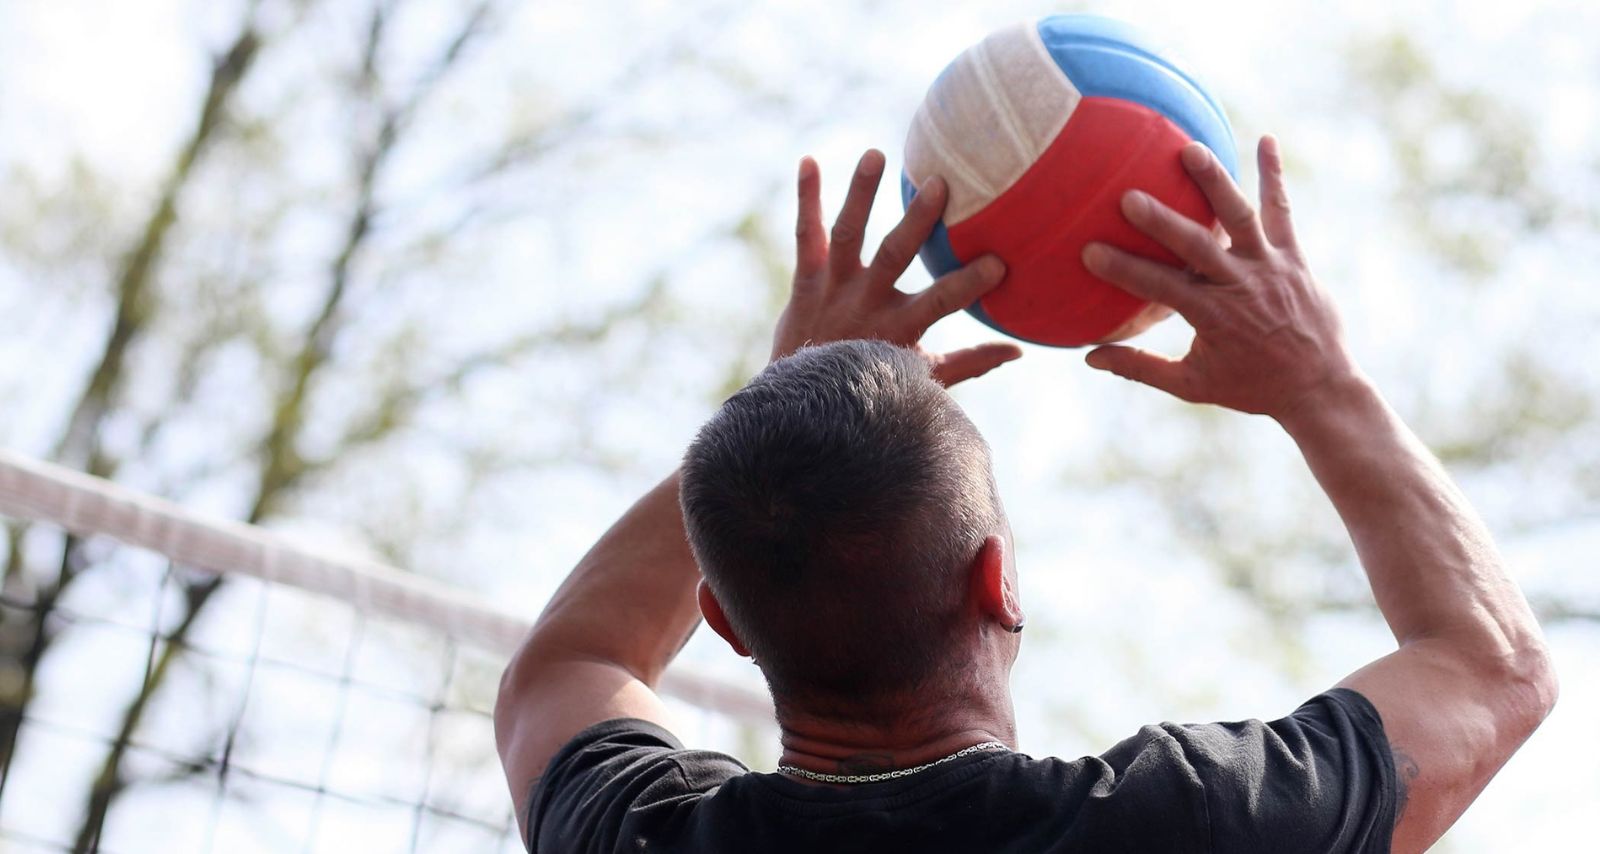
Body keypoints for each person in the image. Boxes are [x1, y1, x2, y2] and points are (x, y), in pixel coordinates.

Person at [494, 137, 1557, 853]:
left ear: (723, 616)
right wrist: (1321, 380)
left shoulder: (638, 833)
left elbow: (572, 661)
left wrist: (787, 399)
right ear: (995, 579)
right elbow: (1492, 665)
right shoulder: (1181, 825)